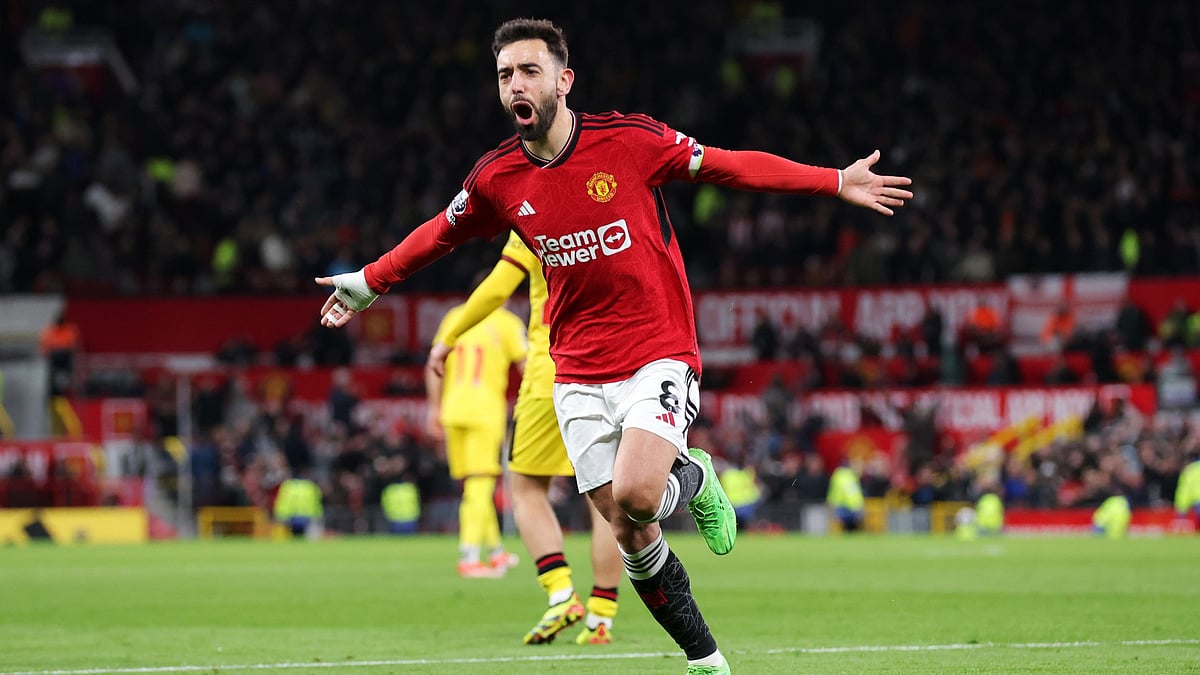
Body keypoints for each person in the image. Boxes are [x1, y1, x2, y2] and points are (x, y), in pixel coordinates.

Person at [314, 18, 912, 674]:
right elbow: (438, 233)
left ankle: (696, 473)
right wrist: (372, 280)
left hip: (656, 349)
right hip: (574, 373)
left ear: (564, 81)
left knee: (634, 491)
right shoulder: (497, 178)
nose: (516, 83)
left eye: (529, 70)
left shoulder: (630, 141)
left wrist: (833, 180)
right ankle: (705, 657)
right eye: (505, 74)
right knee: (631, 531)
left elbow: (729, 166)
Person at [426, 232, 623, 644]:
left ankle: (560, 593)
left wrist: (448, 340)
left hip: (551, 371)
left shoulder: (532, 216)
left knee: (526, 488)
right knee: (602, 494)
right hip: (612, 365)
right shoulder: (613, 206)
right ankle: (601, 614)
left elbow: (498, 288)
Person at [425, 302, 527, 578]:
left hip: (452, 409)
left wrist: (434, 408)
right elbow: (527, 366)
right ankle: (469, 557)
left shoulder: (455, 316)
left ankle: (495, 552)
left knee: (474, 485)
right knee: (480, 484)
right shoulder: (507, 322)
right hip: (484, 411)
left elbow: (434, 362)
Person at [273, 471, 324, 539]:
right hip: (309, 517)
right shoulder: (311, 486)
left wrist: (278, 516)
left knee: (282, 536)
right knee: (314, 537)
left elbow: (281, 503)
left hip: (289, 517)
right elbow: (318, 501)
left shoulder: (287, 485)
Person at [826, 461, 865, 532]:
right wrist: (860, 505)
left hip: (840, 505)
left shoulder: (837, 475)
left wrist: (831, 503)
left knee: (844, 529)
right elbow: (856, 492)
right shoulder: (852, 475)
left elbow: (833, 492)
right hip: (853, 506)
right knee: (853, 528)